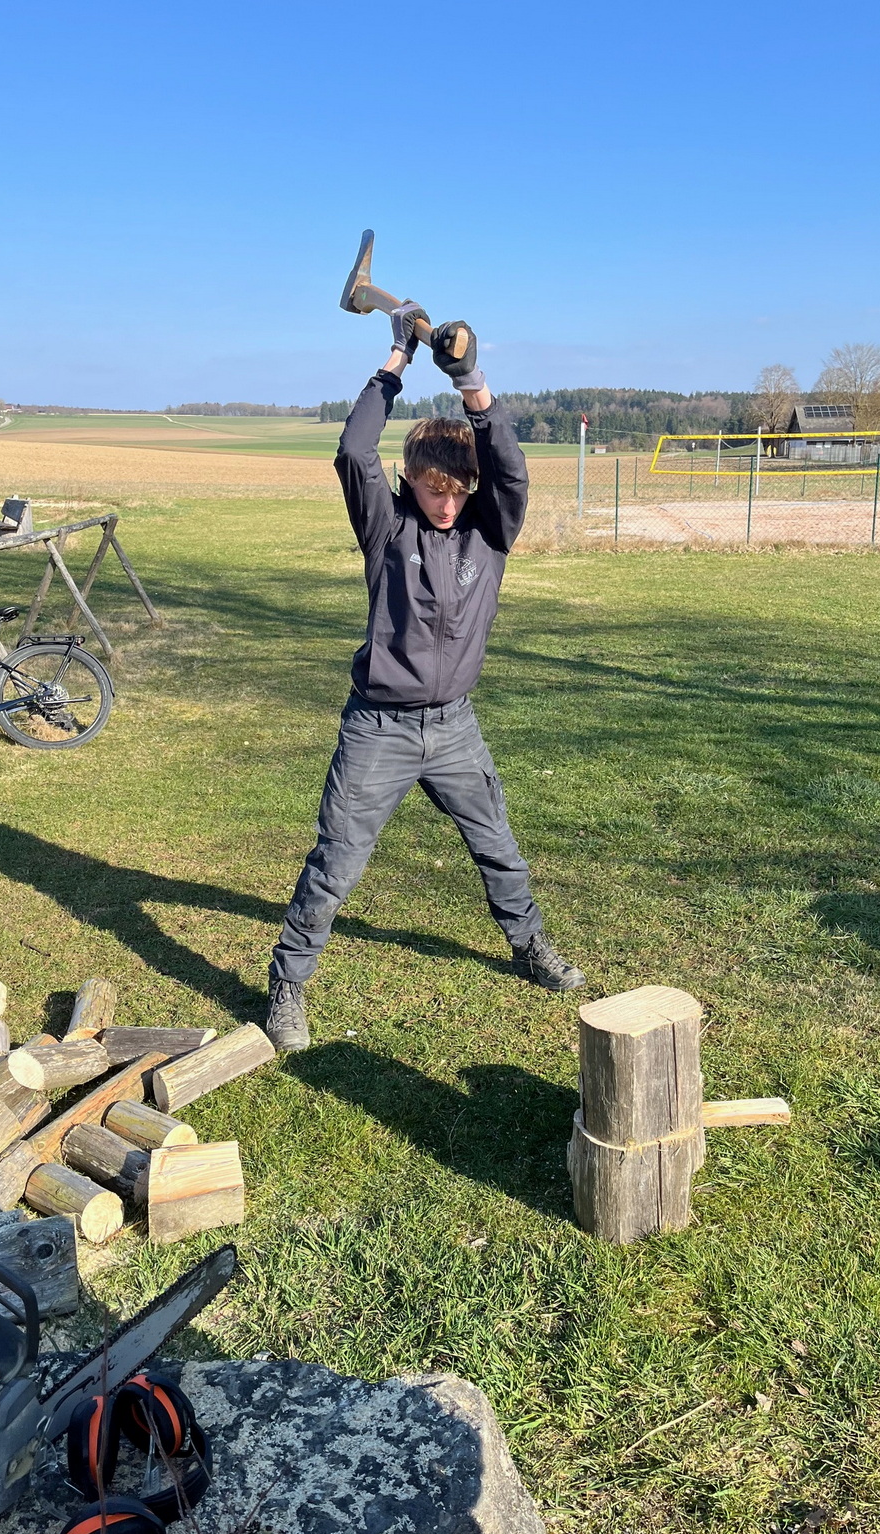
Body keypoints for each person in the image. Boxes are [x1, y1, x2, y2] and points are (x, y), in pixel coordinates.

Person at [265, 301, 585, 1051]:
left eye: (457, 492)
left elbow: (508, 465)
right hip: (377, 727)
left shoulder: (489, 529)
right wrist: (397, 360)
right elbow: (352, 449)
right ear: (412, 479)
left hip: (454, 728)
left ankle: (529, 946)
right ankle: (288, 985)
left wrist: (470, 379)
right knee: (336, 861)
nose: (447, 505)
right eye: (435, 489)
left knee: (498, 845)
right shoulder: (388, 525)